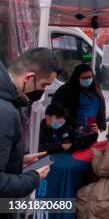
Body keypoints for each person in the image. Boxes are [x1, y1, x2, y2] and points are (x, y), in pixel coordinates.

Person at [0, 48, 61, 197]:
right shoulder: (5, 112)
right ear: (28, 78)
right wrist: (33, 177)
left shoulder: (7, 102)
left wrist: (16, 159)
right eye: (43, 85)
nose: (42, 92)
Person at [52, 63, 106, 133]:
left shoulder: (95, 87)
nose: (88, 80)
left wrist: (101, 128)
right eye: (84, 78)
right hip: (73, 132)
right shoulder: (66, 90)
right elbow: (57, 111)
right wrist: (73, 127)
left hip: (93, 131)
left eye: (90, 77)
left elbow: (101, 109)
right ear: (77, 78)